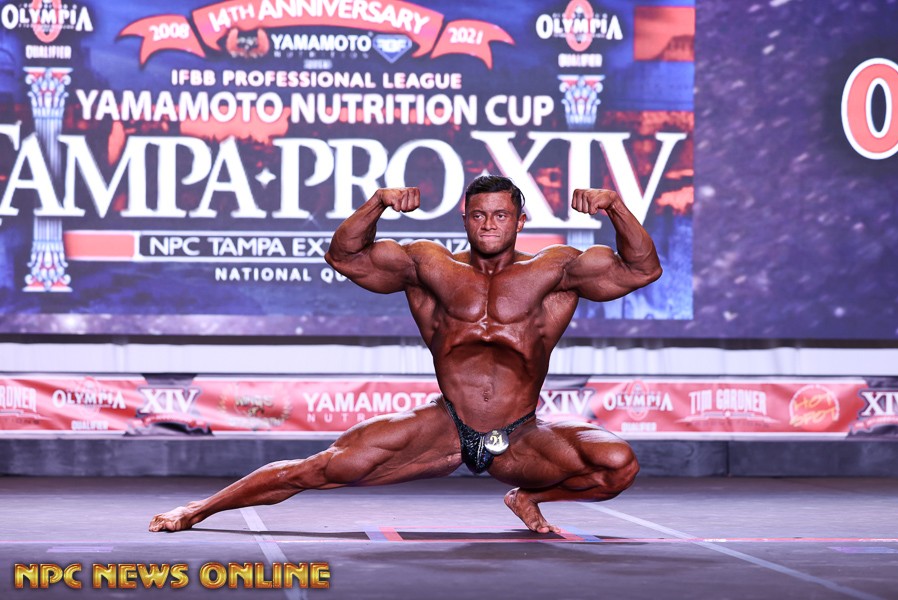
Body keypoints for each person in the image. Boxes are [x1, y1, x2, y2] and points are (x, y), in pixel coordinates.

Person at [149, 175, 662, 534]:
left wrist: (615, 207)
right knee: (321, 468)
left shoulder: (556, 269)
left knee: (617, 465)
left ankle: (527, 497)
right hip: (446, 425)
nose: (489, 224)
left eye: (501, 215)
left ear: (520, 220)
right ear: (465, 218)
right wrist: (377, 202)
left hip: (521, 434)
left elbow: (643, 269)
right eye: (479, 215)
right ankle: (199, 509)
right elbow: (344, 256)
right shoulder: (430, 266)